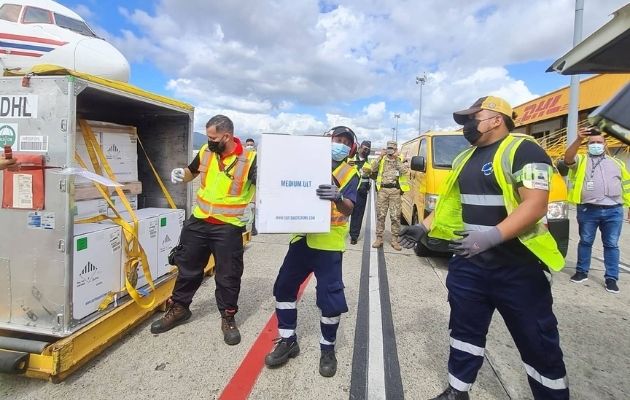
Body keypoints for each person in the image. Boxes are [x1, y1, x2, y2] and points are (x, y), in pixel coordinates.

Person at [400, 96, 569, 400]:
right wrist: (422, 227)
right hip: (470, 264)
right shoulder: (466, 157)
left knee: (536, 341)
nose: (466, 125)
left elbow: (536, 204)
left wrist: (490, 237)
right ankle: (458, 390)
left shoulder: (523, 150)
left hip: (518, 267)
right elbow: (451, 202)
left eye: (472, 118)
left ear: (496, 119)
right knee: (464, 332)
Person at [150, 115, 256, 346]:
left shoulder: (249, 160)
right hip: (199, 221)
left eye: (212, 137)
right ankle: (179, 308)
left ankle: (228, 317)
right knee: (187, 267)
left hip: (227, 227)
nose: (209, 141)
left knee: (228, 275)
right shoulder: (207, 153)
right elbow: (192, 171)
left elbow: (268, 188)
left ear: (226, 136)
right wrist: (182, 175)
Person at [264, 126, 359, 378]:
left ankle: (327, 349)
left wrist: (338, 197)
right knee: (284, 287)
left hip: (328, 244)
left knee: (330, 300)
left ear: (351, 148)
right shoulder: (306, 164)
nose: (339, 144)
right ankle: (287, 339)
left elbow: (349, 208)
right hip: (302, 239)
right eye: (335, 139)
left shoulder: (350, 173)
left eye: (345, 141)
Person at [564, 127, 630, 294]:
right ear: (587, 145)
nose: (596, 145)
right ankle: (581, 272)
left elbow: (627, 186)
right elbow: (567, 158)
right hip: (588, 209)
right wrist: (578, 139)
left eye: (599, 143)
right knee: (585, 241)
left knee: (611, 244)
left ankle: (611, 278)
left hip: (614, 210)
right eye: (592, 143)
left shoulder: (618, 163)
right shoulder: (580, 161)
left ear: (605, 144)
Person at [370, 140, 409, 250]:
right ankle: (379, 238)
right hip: (383, 191)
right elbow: (372, 169)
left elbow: (405, 171)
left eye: (392, 148)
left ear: (396, 149)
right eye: (389, 148)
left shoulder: (399, 160)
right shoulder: (382, 159)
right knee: (381, 215)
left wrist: (397, 159)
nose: (390, 151)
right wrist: (380, 156)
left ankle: (394, 240)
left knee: (395, 216)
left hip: (395, 192)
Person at [348, 140, 372, 244]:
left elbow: (372, 176)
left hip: (362, 192)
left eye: (368, 149)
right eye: (365, 148)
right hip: (349, 190)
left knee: (358, 214)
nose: (366, 151)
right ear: (360, 148)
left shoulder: (369, 163)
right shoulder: (351, 159)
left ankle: (354, 236)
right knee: (343, 212)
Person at [244, 138, 258, 235]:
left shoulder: (257, 157)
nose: (250, 146)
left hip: (254, 188)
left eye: (251, 144)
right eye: (248, 144)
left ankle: (254, 227)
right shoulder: (243, 157)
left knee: (255, 209)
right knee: (243, 211)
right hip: (244, 189)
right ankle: (243, 228)